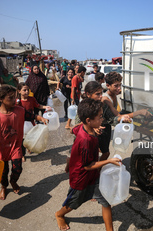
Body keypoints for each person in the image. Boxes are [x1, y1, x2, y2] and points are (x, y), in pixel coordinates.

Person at [55, 98, 122, 231]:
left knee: (105, 201)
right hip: (81, 178)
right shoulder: (86, 141)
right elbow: (87, 166)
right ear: (88, 120)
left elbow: (72, 130)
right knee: (74, 203)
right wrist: (108, 161)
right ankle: (59, 214)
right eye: (99, 117)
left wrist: (94, 128)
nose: (102, 119)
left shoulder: (84, 128)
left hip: (93, 176)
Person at [0, 85, 48, 200]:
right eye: (11, 98)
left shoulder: (20, 111)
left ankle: (13, 181)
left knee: (17, 168)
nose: (15, 100)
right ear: (1, 99)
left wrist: (41, 118)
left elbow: (32, 116)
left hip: (16, 146)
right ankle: (4, 187)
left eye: (15, 97)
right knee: (3, 170)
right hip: (1, 148)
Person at [17, 82, 52, 161]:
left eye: (28, 90)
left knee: (31, 136)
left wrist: (45, 107)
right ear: (19, 91)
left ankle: (29, 147)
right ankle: (22, 155)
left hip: (31, 121)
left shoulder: (31, 99)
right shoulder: (17, 102)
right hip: (21, 123)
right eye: (24, 90)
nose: (26, 92)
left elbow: (38, 106)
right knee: (21, 139)